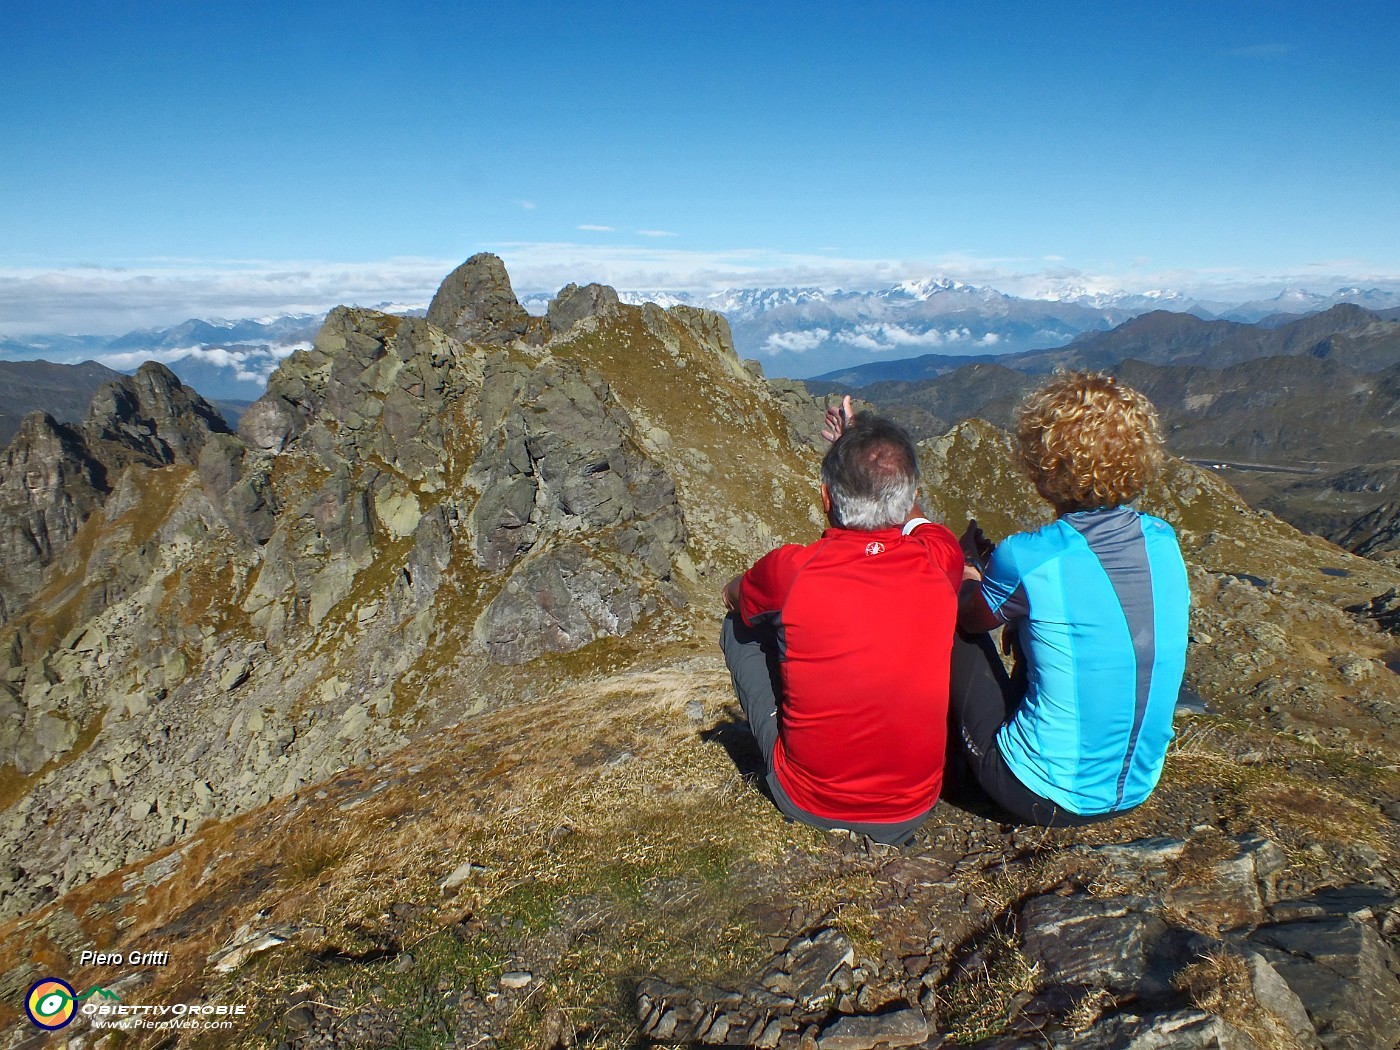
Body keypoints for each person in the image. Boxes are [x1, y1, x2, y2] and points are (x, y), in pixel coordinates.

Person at [950, 371, 1190, 827]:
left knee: (950, 628)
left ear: (1043, 465)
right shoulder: (1164, 540)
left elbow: (969, 618)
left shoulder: (1027, 556)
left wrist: (967, 568)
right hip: (1137, 787)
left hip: (1038, 792)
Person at [720, 402, 963, 845]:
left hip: (808, 803)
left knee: (739, 627)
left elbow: (733, 597)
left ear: (826, 497)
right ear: (909, 497)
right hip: (913, 806)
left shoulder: (791, 571)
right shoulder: (940, 558)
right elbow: (915, 518)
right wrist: (870, 458)